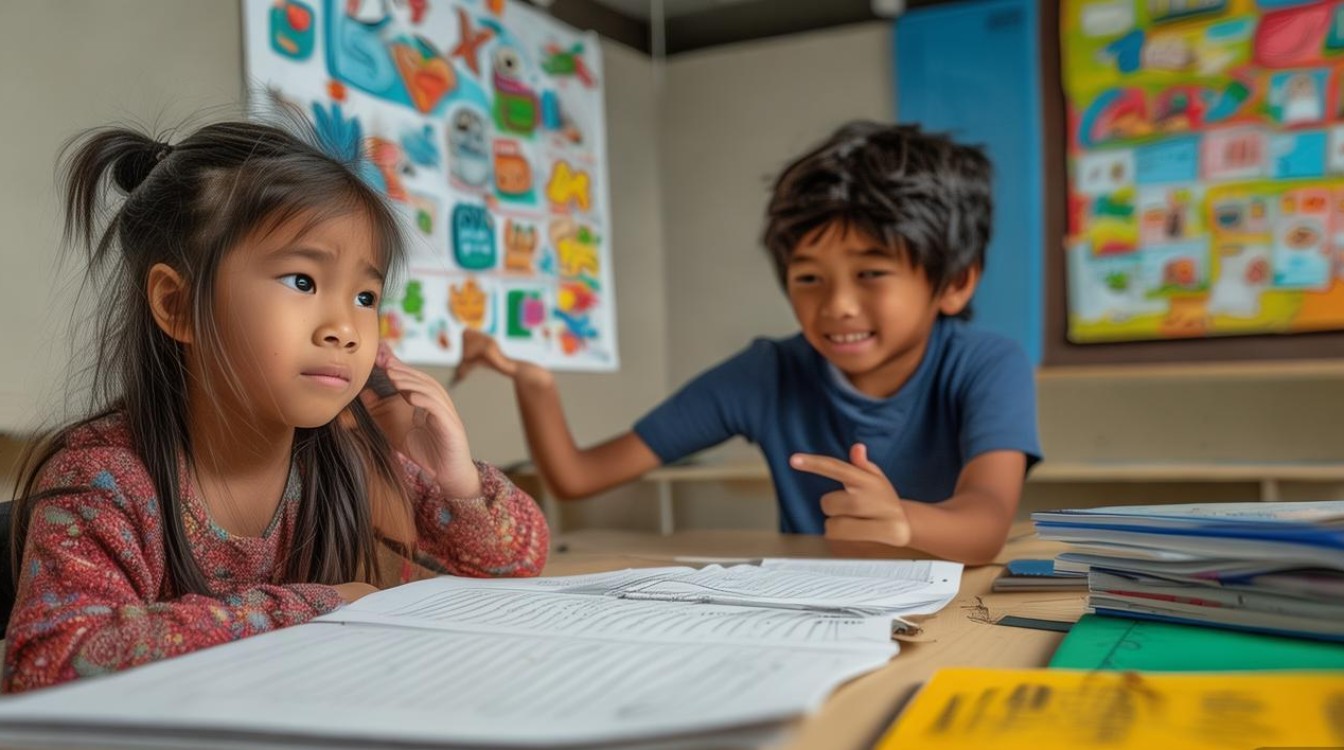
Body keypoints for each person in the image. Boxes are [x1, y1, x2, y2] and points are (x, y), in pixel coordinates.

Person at [3, 119, 549, 694]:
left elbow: (515, 562)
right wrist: (320, 606)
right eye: (303, 281)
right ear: (178, 305)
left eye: (365, 296)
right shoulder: (105, 479)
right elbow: (51, 660)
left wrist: (455, 479)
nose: (345, 328)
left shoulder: (344, 455)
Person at [457, 121, 1039, 565]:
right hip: (821, 607)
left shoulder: (987, 363)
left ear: (956, 281)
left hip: (958, 602)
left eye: (871, 273)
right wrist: (534, 384)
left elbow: (986, 523)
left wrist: (904, 522)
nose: (836, 304)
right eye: (809, 277)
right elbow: (578, 478)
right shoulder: (767, 373)